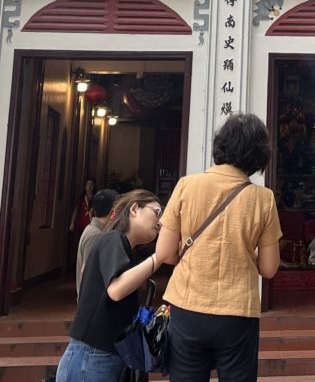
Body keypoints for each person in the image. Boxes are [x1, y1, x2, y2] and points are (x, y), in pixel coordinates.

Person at [155, 113, 281, 382]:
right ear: (259, 155)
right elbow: (269, 269)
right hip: (238, 311)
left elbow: (164, 253)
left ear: (220, 145)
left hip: (187, 305)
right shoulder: (264, 198)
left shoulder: (186, 185)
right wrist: (243, 250)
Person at [56, 189, 163, 382]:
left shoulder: (124, 247)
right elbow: (116, 290)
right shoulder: (113, 238)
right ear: (134, 209)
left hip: (104, 356)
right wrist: (159, 257)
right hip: (92, 356)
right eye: (157, 212)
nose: (160, 222)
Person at [75, 188, 118, 300]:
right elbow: (87, 271)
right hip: (91, 300)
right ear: (113, 211)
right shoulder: (95, 234)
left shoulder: (97, 230)